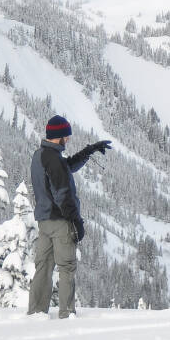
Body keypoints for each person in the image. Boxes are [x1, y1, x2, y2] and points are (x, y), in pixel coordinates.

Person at [27, 114, 110, 318]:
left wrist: (88, 152)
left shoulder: (41, 155)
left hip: (44, 222)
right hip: (60, 222)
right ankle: (66, 314)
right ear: (59, 136)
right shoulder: (54, 160)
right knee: (66, 267)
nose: (69, 139)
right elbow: (63, 193)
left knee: (43, 267)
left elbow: (66, 168)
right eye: (67, 136)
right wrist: (76, 221)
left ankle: (36, 313)